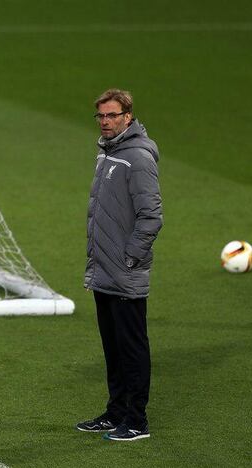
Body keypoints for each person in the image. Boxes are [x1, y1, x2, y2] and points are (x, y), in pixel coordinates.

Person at [77, 89, 163, 441]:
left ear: (128, 116)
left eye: (112, 115)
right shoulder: (107, 155)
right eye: (101, 116)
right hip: (103, 270)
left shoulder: (138, 158)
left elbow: (151, 217)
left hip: (125, 271)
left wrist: (130, 257)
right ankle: (115, 412)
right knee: (112, 347)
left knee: (131, 347)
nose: (105, 122)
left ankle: (137, 420)